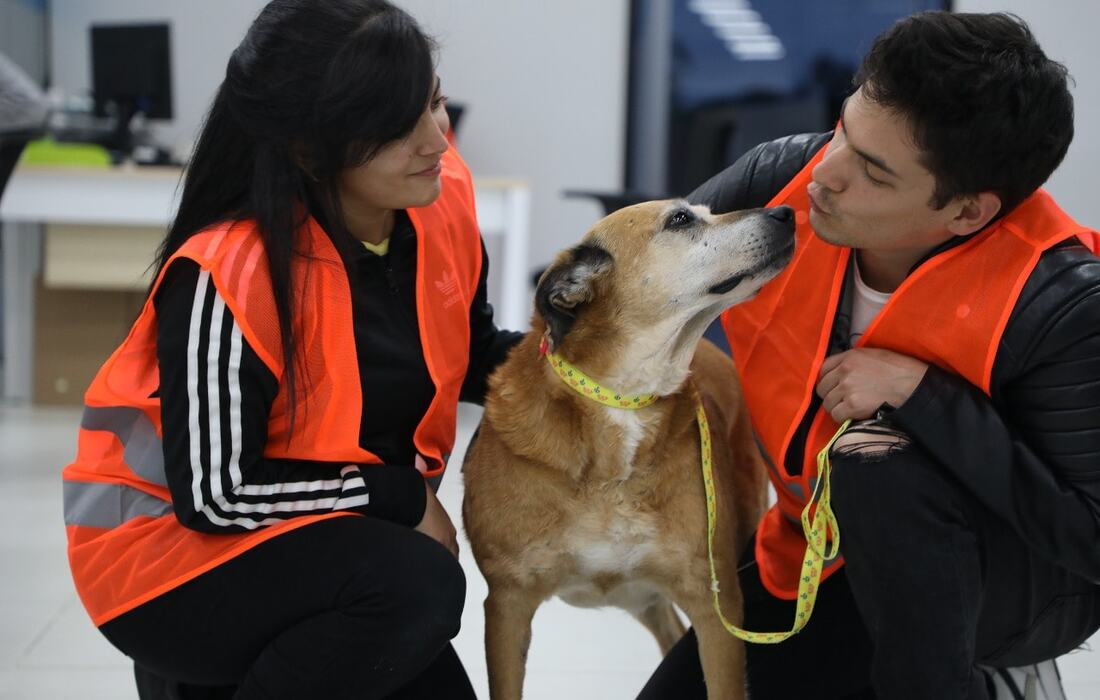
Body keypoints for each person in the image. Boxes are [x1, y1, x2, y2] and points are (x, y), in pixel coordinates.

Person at [61, 1, 522, 698]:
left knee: (416, 614)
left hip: (316, 541)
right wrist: (397, 496)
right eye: (400, 123)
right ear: (310, 149)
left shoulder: (437, 210)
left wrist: (602, 363)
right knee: (417, 588)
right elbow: (217, 496)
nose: (435, 141)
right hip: (166, 566)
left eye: (434, 104)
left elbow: (473, 350)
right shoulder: (228, 271)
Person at [639, 11, 1100, 700]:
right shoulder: (784, 178)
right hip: (817, 558)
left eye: (874, 173)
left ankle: (987, 681)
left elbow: (1089, 534)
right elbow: (628, 287)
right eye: (843, 132)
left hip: (993, 588)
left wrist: (928, 399)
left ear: (968, 212)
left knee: (880, 465)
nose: (826, 174)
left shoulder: (1061, 302)